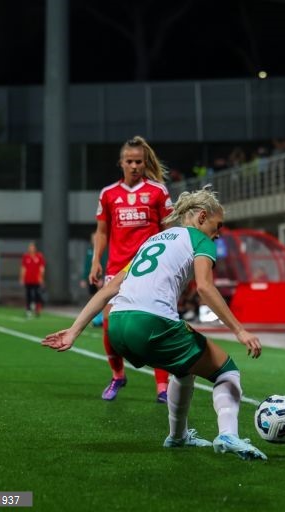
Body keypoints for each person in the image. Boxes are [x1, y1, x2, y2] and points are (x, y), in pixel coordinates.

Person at [43, 188, 267, 461]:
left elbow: (108, 290)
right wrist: (240, 330)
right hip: (150, 322)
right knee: (226, 370)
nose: (218, 233)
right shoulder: (200, 239)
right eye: (217, 226)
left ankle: (177, 437)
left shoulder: (152, 241)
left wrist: (73, 331)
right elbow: (205, 288)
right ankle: (229, 435)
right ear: (202, 217)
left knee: (184, 368)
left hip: (117, 326)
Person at [89, 136, 174, 403]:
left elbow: (168, 230)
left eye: (139, 161)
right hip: (117, 269)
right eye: (129, 161)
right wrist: (96, 261)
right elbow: (102, 232)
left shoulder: (158, 191)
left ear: (144, 162)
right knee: (109, 326)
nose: (134, 165)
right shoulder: (108, 194)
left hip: (150, 269)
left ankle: (162, 387)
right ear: (121, 163)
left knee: (156, 325)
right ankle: (117, 375)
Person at [80, 233, 105, 327]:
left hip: (100, 277)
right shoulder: (90, 250)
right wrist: (83, 278)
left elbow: (105, 263)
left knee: (101, 298)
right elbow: (86, 266)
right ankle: (95, 319)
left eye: (96, 238)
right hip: (91, 277)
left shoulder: (103, 250)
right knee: (92, 298)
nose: (95, 240)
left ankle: (101, 319)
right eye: (93, 239)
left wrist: (102, 278)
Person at [20, 241, 45, 318]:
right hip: (28, 279)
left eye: (33, 247)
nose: (31, 249)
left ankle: (37, 309)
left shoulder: (39, 256)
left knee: (37, 294)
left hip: (36, 279)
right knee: (28, 295)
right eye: (30, 247)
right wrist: (22, 278)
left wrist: (41, 278)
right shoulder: (26, 256)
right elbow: (23, 268)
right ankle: (28, 309)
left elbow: (42, 268)